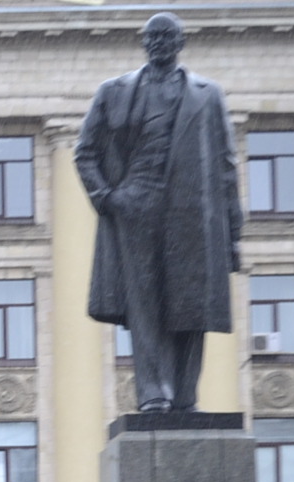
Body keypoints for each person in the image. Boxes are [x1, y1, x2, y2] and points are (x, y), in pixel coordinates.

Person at [75, 12, 242, 413]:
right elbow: (85, 152)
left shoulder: (208, 94)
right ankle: (152, 392)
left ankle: (185, 396)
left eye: (168, 36)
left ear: (181, 43)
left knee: (192, 306)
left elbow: (225, 166)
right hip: (137, 209)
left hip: (193, 214)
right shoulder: (113, 92)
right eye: (153, 36)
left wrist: (233, 234)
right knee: (143, 304)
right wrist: (108, 196)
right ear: (143, 42)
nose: (160, 43)